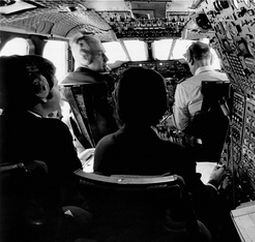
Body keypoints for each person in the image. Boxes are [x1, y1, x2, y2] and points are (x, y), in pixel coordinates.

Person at [93, 67, 227, 241]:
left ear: (118, 102)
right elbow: (202, 201)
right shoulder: (175, 154)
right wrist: (214, 182)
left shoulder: (103, 148)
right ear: (161, 104)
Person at [0, 55, 90, 241]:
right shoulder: (53, 130)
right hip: (48, 224)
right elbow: (73, 182)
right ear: (41, 89)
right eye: (56, 86)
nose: (60, 92)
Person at [173, 41, 230, 162]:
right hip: (229, 143)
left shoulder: (184, 87)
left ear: (191, 60)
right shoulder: (227, 78)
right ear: (211, 58)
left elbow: (182, 125)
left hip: (202, 149)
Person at [60, 34, 119, 150]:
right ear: (85, 57)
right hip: (113, 144)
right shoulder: (101, 85)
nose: (106, 59)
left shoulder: (65, 83)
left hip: (84, 146)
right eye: (100, 54)